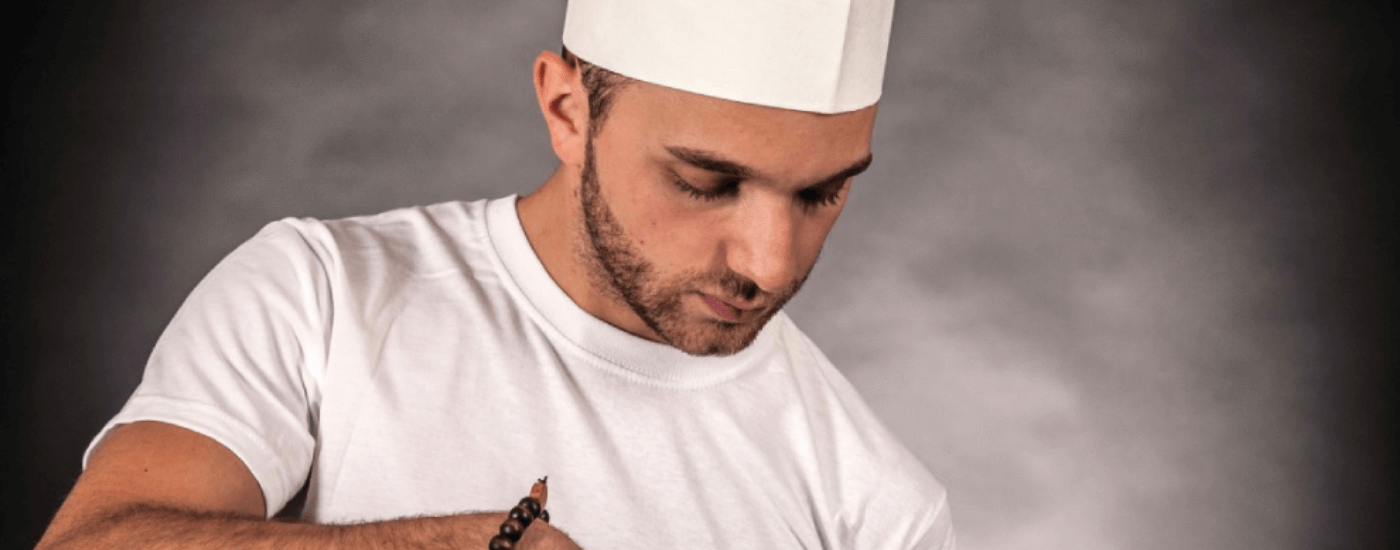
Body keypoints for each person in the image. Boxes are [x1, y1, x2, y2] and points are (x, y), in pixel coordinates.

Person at [36, 0, 954, 548]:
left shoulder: (879, 510)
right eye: (706, 183)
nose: (771, 262)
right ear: (567, 110)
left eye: (822, 193)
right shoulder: (321, 297)